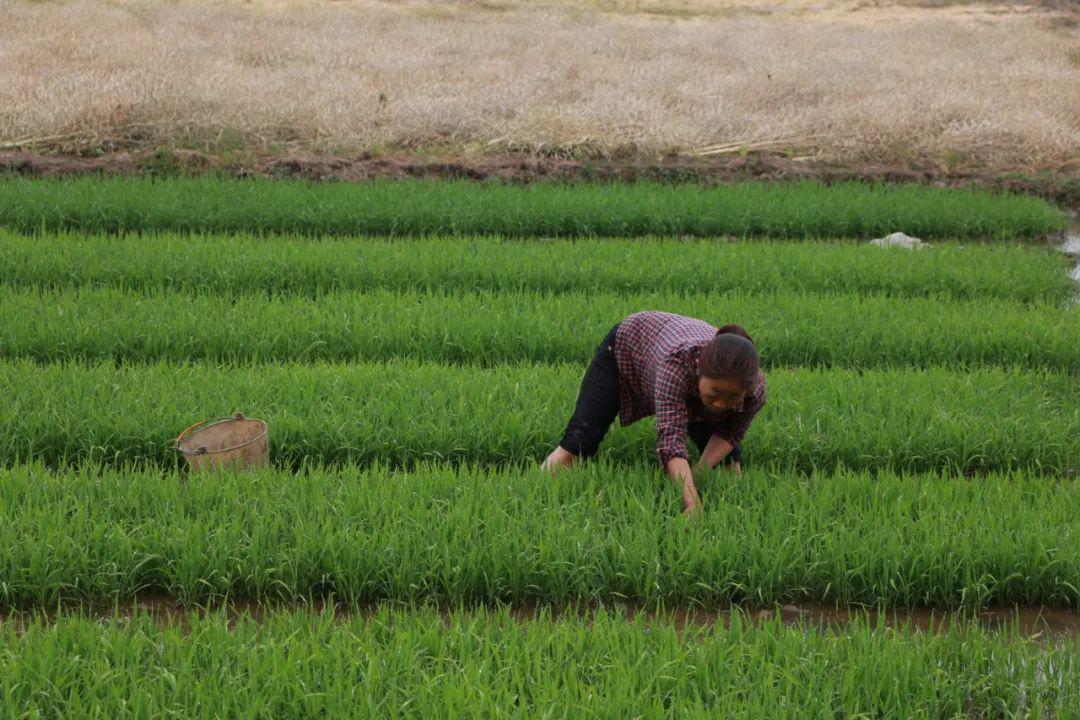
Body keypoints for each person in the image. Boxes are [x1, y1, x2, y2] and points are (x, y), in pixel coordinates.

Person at [541, 311, 766, 515]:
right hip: (630, 347)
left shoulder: (754, 389)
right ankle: (534, 488)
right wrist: (691, 502)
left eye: (732, 398)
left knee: (729, 466)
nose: (719, 404)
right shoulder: (676, 365)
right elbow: (671, 443)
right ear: (700, 372)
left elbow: (730, 433)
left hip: (681, 370)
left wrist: (697, 474)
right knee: (578, 443)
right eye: (715, 392)